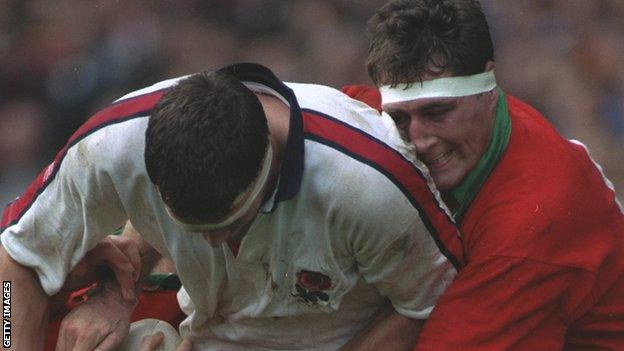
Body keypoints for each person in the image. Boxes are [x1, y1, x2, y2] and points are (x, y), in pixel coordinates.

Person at [0, 62, 463, 350]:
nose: (210, 242)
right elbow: (16, 258)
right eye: (188, 225)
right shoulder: (112, 147)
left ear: (272, 162)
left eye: (229, 224)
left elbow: (426, 305)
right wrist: (113, 293)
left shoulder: (370, 185)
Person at [341, 0, 624, 349]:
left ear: (489, 93)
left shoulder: (532, 219)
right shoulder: (453, 112)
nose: (418, 139)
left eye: (437, 112)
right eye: (400, 119)